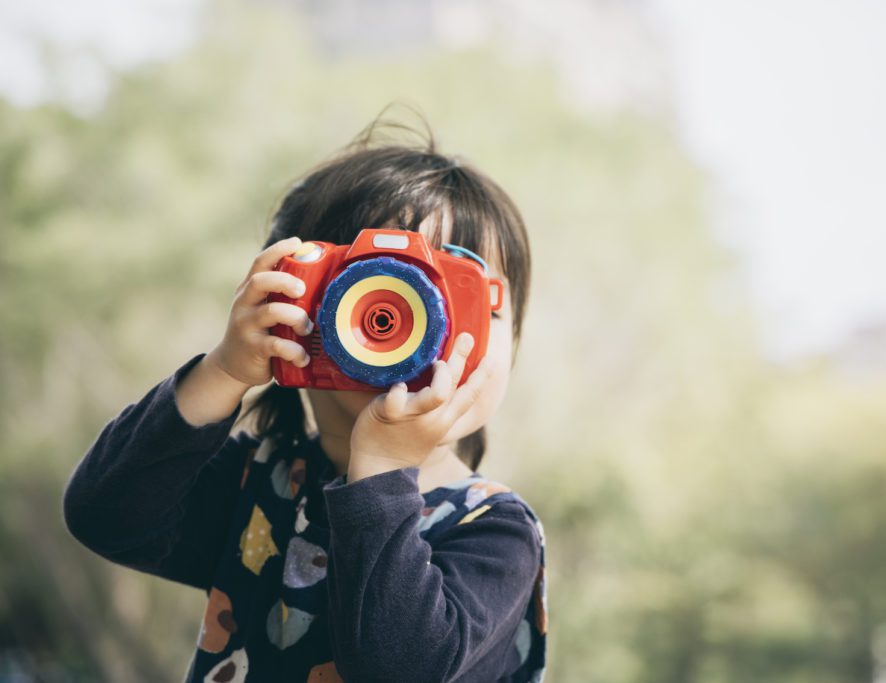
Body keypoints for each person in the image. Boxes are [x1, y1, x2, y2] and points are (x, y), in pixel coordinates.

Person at [62, 113, 548, 683]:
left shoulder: (492, 530)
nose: (421, 328)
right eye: (384, 291)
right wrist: (225, 370)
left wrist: (383, 469)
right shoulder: (258, 485)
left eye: (465, 297)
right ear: (294, 307)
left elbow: (401, 671)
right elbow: (106, 515)